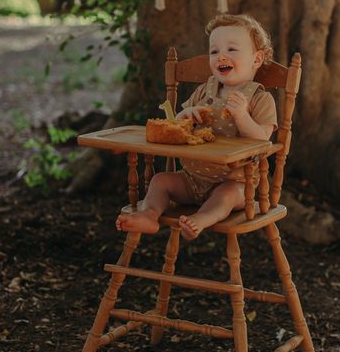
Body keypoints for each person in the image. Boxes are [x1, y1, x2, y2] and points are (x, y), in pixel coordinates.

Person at [115, 13, 277, 240]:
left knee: (226, 196)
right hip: (192, 179)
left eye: (231, 49)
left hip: (236, 181)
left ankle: (202, 218)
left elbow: (262, 141)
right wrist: (185, 115)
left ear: (257, 59)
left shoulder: (260, 99)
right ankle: (149, 215)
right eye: (214, 51)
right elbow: (177, 128)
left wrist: (242, 116)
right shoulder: (203, 91)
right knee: (160, 181)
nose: (221, 55)